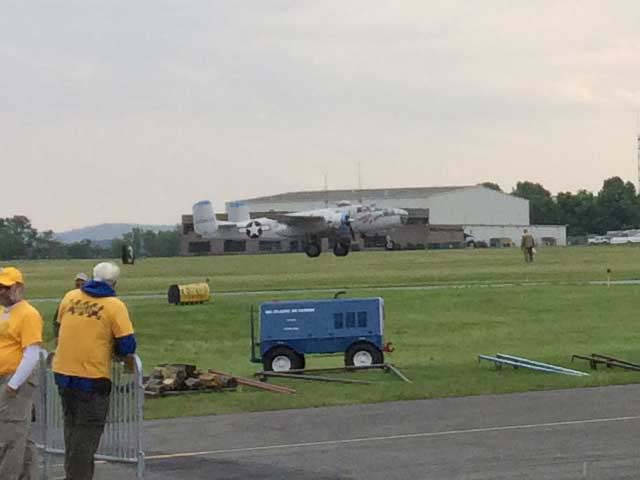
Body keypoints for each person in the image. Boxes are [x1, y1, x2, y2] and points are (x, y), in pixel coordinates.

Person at [53, 262, 137, 480]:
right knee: (86, 436)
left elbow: (59, 326)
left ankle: (72, 474)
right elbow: (127, 344)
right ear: (114, 283)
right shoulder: (114, 305)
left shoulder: (70, 297)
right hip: (92, 377)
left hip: (63, 373)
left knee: (71, 431)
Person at [0, 267, 43, 479]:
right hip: (4, 377)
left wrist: (13, 384)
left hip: (16, 381)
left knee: (10, 437)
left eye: (6, 288)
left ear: (18, 288)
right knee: (20, 436)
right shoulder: (2, 311)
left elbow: (32, 353)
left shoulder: (28, 314)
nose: (2, 292)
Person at [53, 273, 89, 339]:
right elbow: (57, 319)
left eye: (82, 282)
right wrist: (57, 336)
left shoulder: (90, 298)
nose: (80, 284)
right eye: (78, 282)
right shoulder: (68, 297)